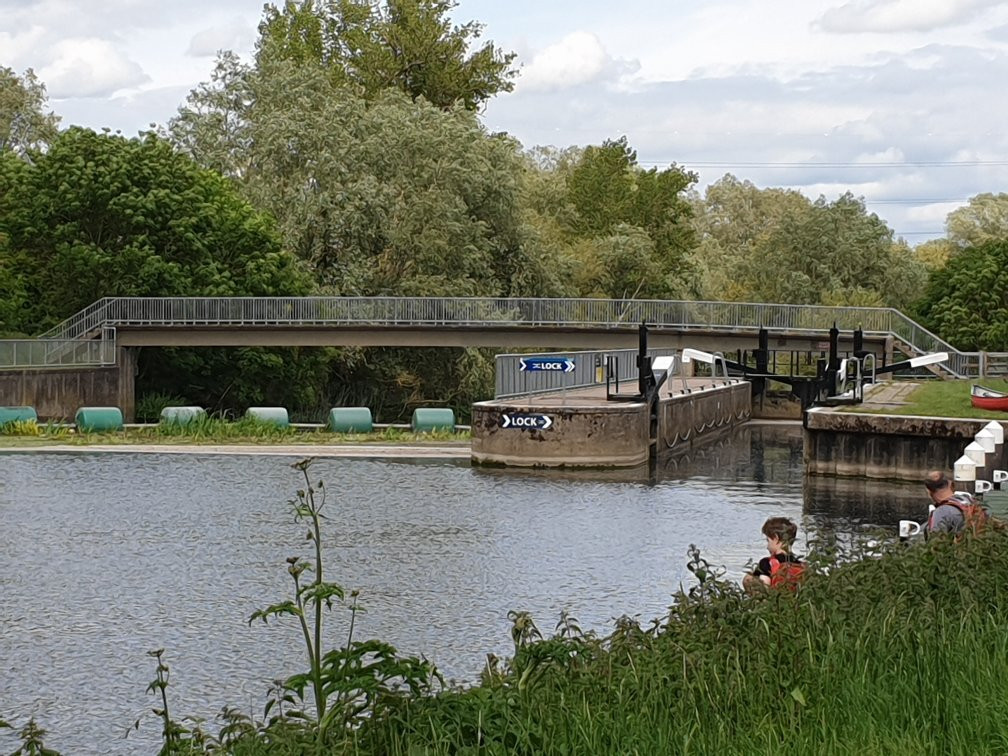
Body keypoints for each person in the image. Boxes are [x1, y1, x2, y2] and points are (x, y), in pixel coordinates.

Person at [743, 516, 804, 594]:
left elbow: (765, 584)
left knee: (748, 578)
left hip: (775, 600)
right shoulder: (800, 565)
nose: (767, 547)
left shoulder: (767, 563)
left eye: (768, 541)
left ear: (776, 538)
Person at [924, 470, 987, 536]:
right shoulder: (969, 500)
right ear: (951, 484)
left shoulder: (940, 513)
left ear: (929, 491)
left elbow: (935, 541)